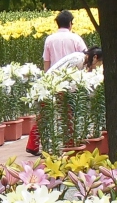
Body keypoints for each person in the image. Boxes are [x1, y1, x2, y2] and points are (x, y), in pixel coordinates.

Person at [27, 11, 88, 155]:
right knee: (68, 113)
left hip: (52, 80)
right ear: (71, 23)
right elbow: (85, 59)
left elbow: (46, 62)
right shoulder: (76, 38)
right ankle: (69, 143)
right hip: (69, 82)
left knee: (45, 113)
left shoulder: (50, 39)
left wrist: (47, 80)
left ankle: (33, 144)